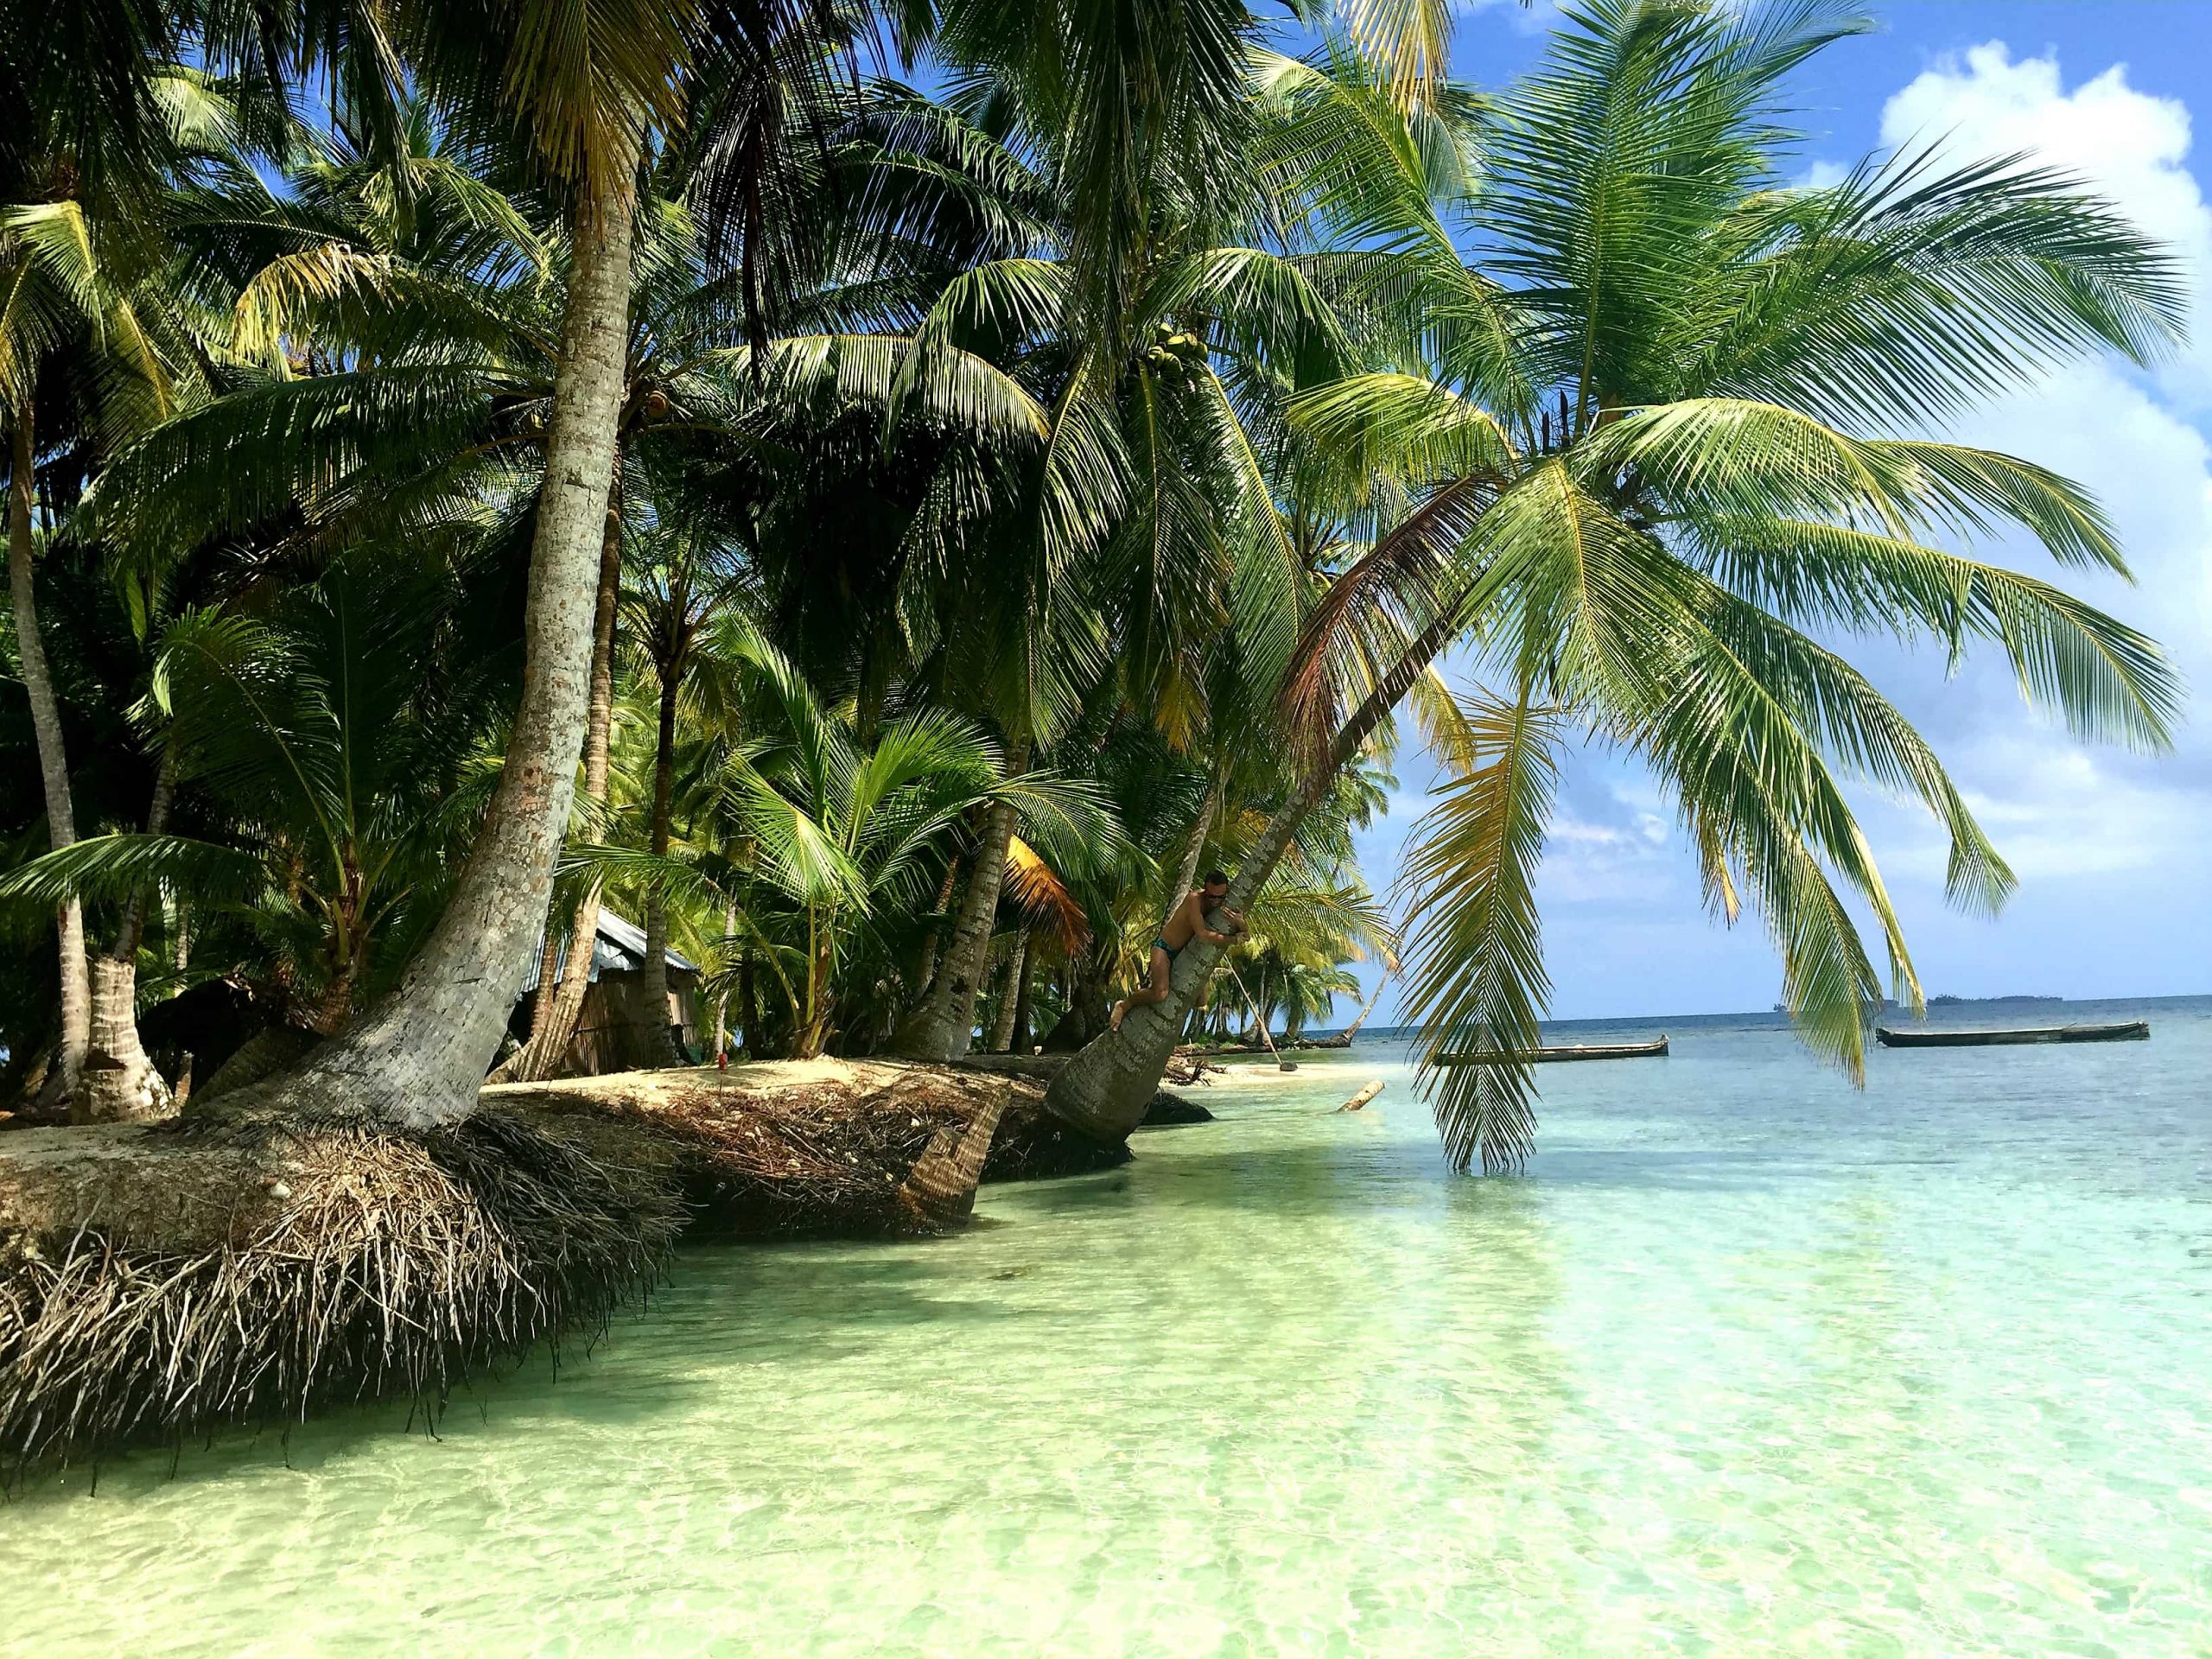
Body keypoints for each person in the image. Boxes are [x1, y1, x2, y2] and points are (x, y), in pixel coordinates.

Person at [1109, 870, 1247, 1031]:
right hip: (1164, 949)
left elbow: (1246, 937)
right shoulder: (1194, 899)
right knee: (1160, 993)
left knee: (1201, 1002)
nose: (1216, 901)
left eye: (1220, 897)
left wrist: (1241, 923)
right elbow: (1202, 934)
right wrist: (1232, 940)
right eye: (1212, 896)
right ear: (1205, 890)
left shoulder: (1228, 903)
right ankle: (1124, 1005)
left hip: (1188, 954)